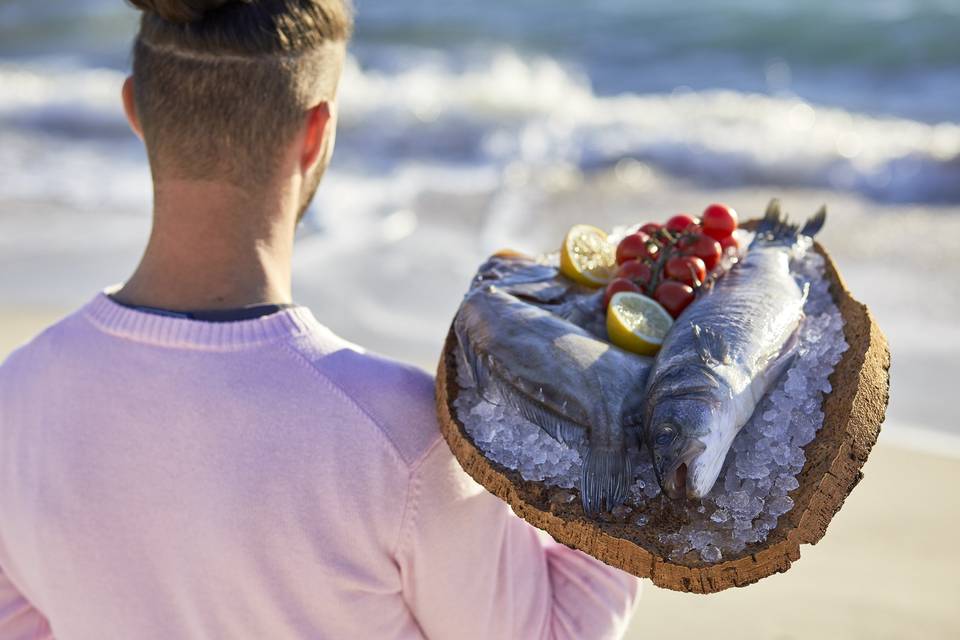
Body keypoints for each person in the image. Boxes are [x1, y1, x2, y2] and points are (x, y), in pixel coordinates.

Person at [0, 1, 641, 637]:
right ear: (317, 133)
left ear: (135, 108)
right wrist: (622, 413)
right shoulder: (403, 437)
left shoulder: (16, 400)